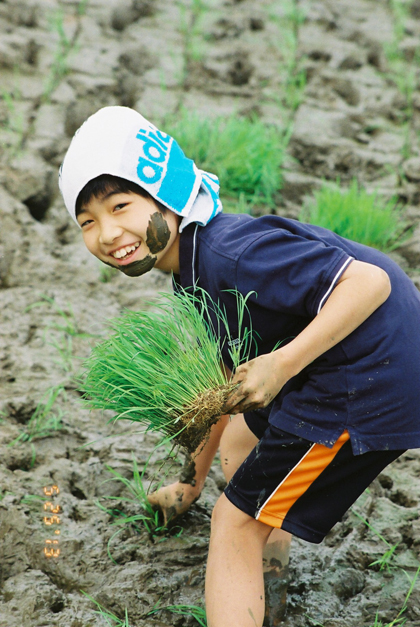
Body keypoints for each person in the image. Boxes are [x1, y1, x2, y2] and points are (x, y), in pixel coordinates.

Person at [59, 106, 420, 627]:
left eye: (121, 205)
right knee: (239, 441)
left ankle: (251, 549)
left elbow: (369, 283)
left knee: (233, 522)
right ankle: (268, 580)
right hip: (350, 362)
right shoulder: (196, 265)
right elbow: (223, 389)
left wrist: (281, 362)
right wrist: (190, 482)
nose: (108, 233)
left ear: (169, 195)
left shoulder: (232, 255)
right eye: (88, 222)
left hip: (367, 380)